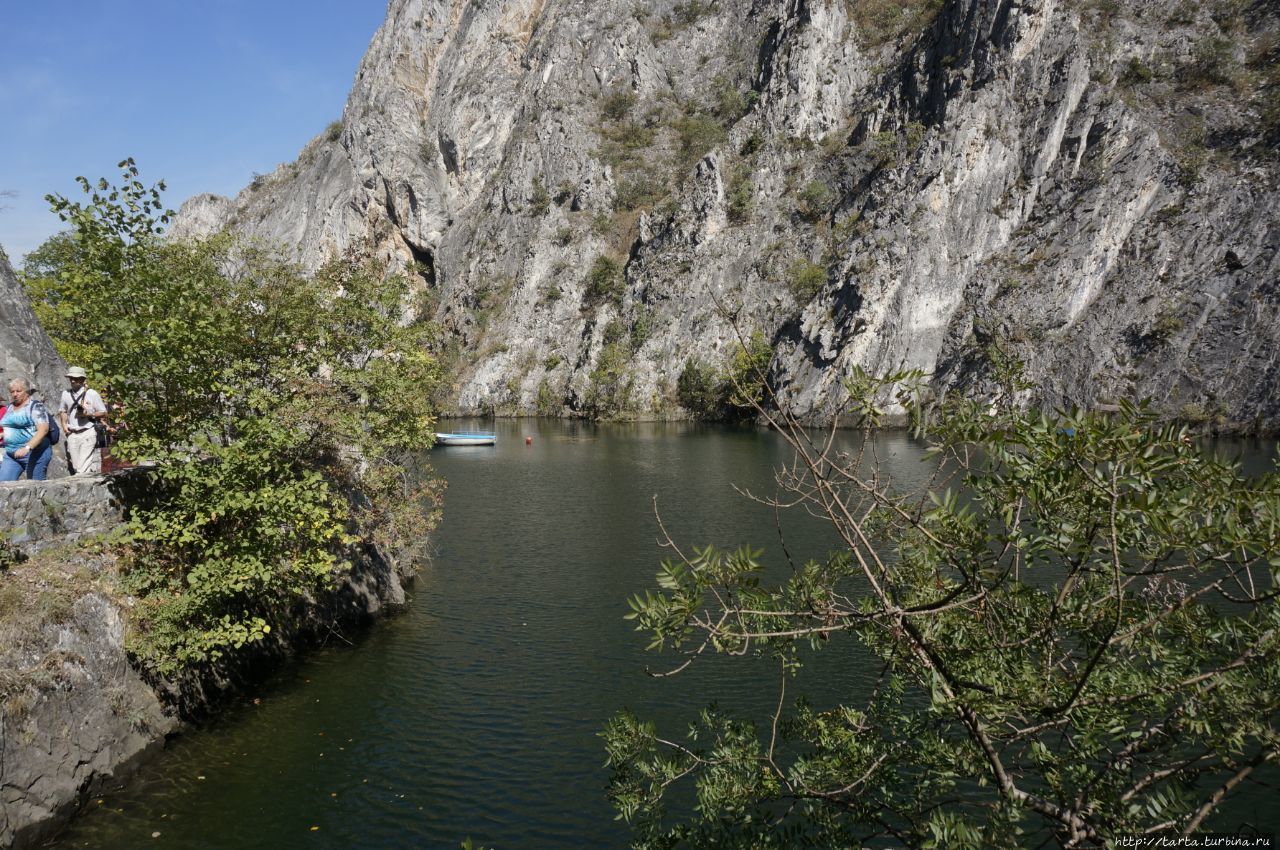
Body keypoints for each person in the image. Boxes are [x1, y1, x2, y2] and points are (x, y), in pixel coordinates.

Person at [58, 366, 108, 476]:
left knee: (82, 468)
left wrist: (88, 414)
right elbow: (63, 410)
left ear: (82, 379)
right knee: (76, 466)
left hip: (87, 432)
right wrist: (64, 426)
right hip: (72, 433)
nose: (72, 380)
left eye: (75, 378)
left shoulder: (92, 394)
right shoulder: (65, 394)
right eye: (70, 377)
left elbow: (103, 412)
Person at [1, 378, 53, 481]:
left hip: (35, 453)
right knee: (3, 485)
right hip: (11, 454)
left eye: (19, 391)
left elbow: (43, 430)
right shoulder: (10, 407)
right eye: (12, 392)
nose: (15, 394)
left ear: (27, 391)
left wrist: (27, 447)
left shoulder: (35, 406)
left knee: (35, 487)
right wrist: (3, 435)